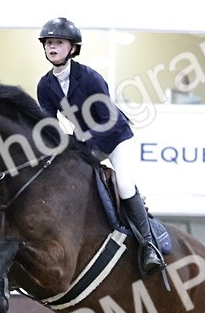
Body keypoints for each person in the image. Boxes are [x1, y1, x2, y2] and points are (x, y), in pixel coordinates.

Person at [35, 17, 164, 274]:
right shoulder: (45, 85)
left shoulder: (91, 78)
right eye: (49, 43)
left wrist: (82, 142)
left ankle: (149, 245)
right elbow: (49, 124)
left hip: (115, 138)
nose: (52, 47)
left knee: (124, 185)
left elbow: (108, 119)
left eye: (58, 42)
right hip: (85, 143)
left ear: (72, 48)